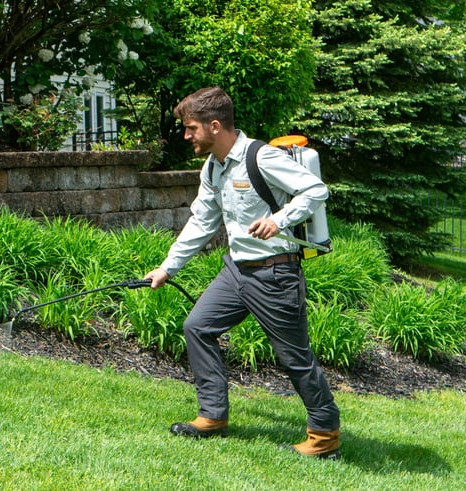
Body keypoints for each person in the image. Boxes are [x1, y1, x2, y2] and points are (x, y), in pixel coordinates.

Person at [144, 87, 341, 459]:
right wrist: (167, 268)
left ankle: (324, 434)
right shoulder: (213, 167)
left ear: (214, 126)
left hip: (274, 274)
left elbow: (315, 190)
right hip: (236, 272)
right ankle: (212, 415)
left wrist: (278, 220)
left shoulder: (261, 157)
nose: (186, 136)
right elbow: (202, 221)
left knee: (294, 356)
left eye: (190, 129)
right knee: (198, 327)